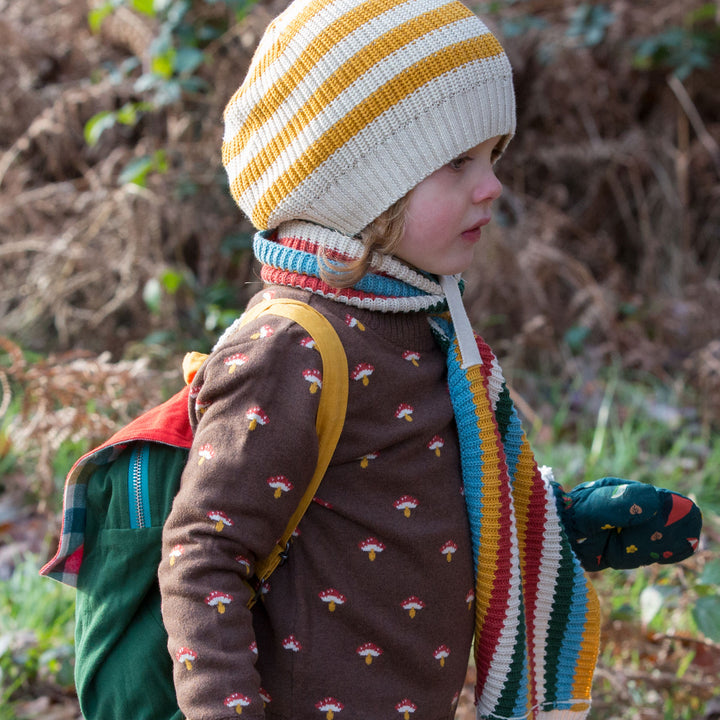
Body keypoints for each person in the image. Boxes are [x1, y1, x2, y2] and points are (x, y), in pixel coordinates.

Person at [158, 1, 702, 718]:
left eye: (492, 157)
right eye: (455, 162)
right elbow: (202, 556)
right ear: (356, 185)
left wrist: (556, 527)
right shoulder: (293, 348)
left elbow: (406, 507)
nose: (492, 186)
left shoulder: (428, 328)